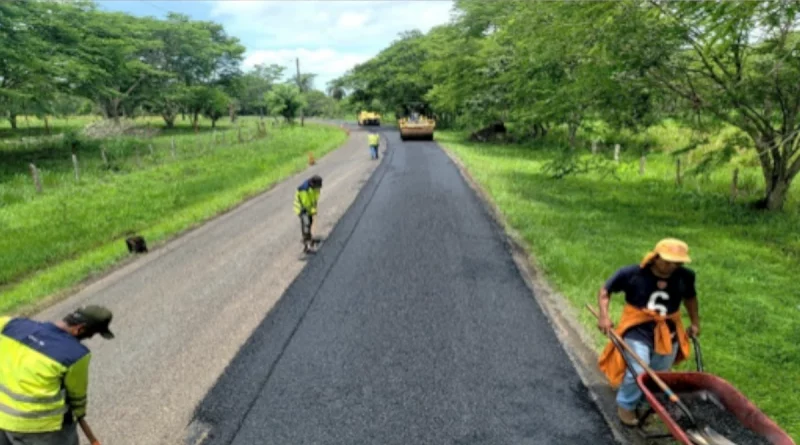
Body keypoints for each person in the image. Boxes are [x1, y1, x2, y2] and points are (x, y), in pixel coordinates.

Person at [596, 238, 700, 427]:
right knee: (638, 370)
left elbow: (690, 298)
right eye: (667, 261)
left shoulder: (685, 276)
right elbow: (605, 291)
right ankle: (626, 404)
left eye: (677, 263)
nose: (671, 267)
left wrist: (694, 322)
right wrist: (604, 316)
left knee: (659, 374)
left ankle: (645, 404)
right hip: (638, 330)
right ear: (655, 257)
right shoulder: (633, 274)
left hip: (668, 332)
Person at [0, 305, 114, 445]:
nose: (88, 338)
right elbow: (77, 396)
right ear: (80, 329)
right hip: (41, 428)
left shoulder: (12, 325)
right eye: (90, 334)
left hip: (3, 418)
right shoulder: (76, 354)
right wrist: (79, 413)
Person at [293, 174, 323, 253]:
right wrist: (313, 210)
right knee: (306, 224)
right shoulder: (304, 190)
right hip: (301, 209)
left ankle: (309, 238)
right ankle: (307, 246)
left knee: (310, 222)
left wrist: (314, 207)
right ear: (313, 184)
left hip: (308, 208)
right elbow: (306, 204)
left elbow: (314, 199)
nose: (319, 188)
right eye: (318, 187)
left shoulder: (315, 189)